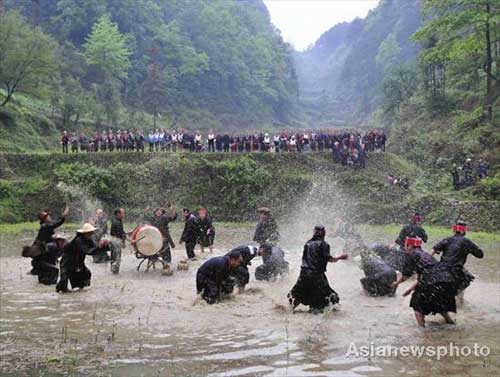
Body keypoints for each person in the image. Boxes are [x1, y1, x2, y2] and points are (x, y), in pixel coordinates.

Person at [391, 237, 456, 327]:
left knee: (417, 305)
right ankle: (450, 322)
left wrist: (396, 283)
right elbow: (425, 275)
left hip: (432, 281)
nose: (404, 248)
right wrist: (410, 289)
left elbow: (406, 276)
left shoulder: (411, 255)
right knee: (438, 301)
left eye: (405, 246)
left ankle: (421, 330)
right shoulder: (425, 255)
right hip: (446, 280)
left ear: (409, 246)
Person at [288, 226, 348, 314]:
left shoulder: (308, 243)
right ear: (323, 234)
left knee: (298, 295)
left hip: (304, 274)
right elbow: (329, 259)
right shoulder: (324, 244)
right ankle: (322, 315)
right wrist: (340, 257)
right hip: (317, 275)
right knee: (332, 297)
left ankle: (288, 312)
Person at [432, 221, 483, 301]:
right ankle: (459, 299)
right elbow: (480, 255)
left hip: (441, 269)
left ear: (454, 230)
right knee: (467, 278)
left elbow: (433, 250)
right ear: (464, 231)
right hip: (456, 270)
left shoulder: (447, 240)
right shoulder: (466, 242)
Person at [56, 223, 110, 293]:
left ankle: (81, 292)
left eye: (92, 232)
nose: (92, 234)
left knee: (86, 274)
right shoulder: (78, 240)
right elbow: (87, 251)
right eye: (90, 233)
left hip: (78, 262)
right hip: (67, 262)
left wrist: (104, 246)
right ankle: (60, 291)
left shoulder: (88, 240)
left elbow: (94, 250)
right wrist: (99, 246)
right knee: (64, 281)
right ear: (85, 233)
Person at [24, 206, 69, 276]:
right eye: (48, 216)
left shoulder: (46, 225)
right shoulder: (46, 225)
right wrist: (64, 216)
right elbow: (58, 223)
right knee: (56, 248)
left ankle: (40, 269)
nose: (50, 217)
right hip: (41, 248)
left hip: (41, 248)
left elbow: (54, 225)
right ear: (45, 219)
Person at [149, 206, 178, 273]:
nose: (159, 212)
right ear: (155, 213)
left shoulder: (164, 218)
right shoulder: (152, 219)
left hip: (164, 237)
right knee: (154, 250)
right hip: (155, 237)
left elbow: (173, 218)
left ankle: (167, 263)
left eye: (160, 211)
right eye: (157, 211)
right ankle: (154, 259)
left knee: (166, 250)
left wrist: (173, 211)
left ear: (161, 212)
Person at [109, 208, 127, 274]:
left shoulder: (118, 221)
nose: (124, 215)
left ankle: (114, 272)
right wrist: (128, 239)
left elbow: (121, 232)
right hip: (116, 243)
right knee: (116, 258)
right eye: (122, 213)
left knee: (115, 258)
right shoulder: (117, 222)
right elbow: (120, 234)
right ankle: (115, 272)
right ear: (118, 214)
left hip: (115, 242)